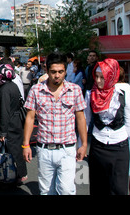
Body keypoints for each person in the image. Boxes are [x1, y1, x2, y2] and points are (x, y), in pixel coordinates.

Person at [22, 52, 88, 195]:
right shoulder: (36, 90)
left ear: (65, 71)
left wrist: (84, 144)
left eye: (60, 72)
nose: (57, 75)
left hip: (67, 149)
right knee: (46, 191)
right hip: (44, 149)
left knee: (66, 190)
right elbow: (30, 118)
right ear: (46, 70)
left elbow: (81, 118)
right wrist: (26, 144)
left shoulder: (74, 90)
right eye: (53, 72)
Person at [85, 58, 130, 195]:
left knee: (119, 189)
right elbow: (86, 121)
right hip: (98, 145)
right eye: (96, 77)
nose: (98, 81)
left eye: (102, 77)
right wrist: (82, 144)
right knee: (99, 188)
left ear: (111, 77)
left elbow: (129, 121)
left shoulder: (124, 91)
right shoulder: (90, 94)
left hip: (120, 146)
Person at [0, 63, 28, 185]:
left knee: (13, 150)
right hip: (17, 120)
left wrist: (2, 132)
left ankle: (18, 174)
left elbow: (4, 111)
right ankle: (21, 173)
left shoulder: (4, 89)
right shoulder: (13, 85)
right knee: (17, 149)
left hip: (10, 123)